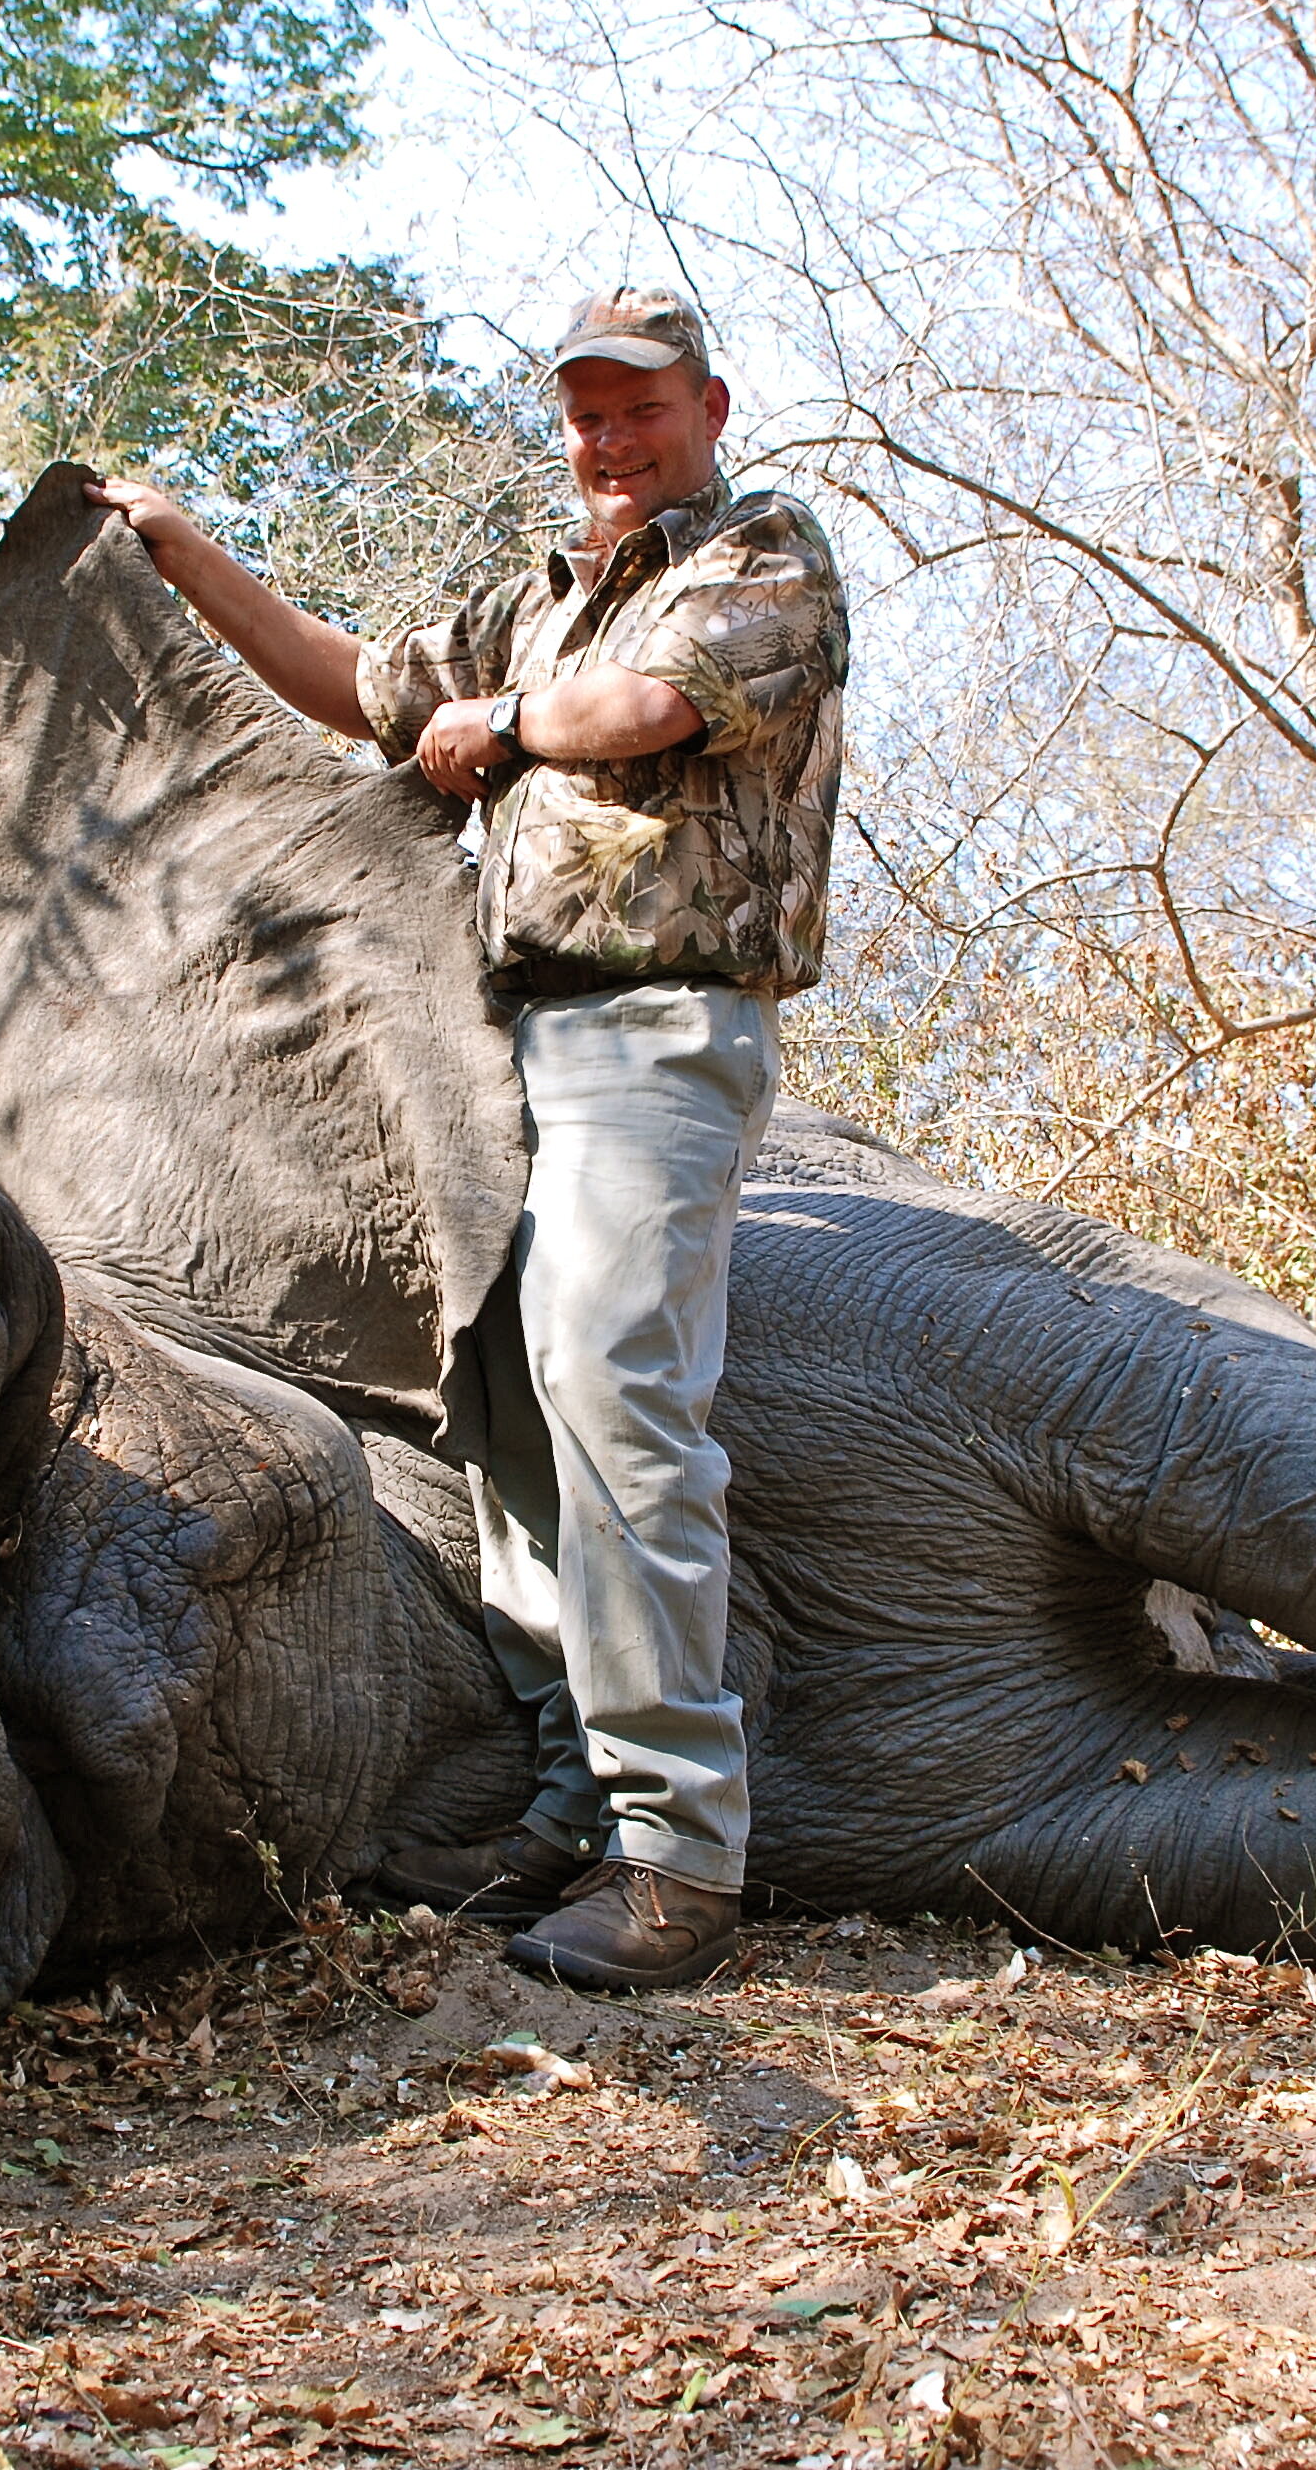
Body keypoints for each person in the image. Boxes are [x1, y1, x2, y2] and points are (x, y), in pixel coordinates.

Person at [92, 289, 847, 1989]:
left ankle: (679, 1852)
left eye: (637, 406)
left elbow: (649, 710)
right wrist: (177, 547)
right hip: (501, 1044)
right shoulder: (535, 602)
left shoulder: (764, 555)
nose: (606, 436)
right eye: (582, 408)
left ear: (708, 405)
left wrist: (501, 726)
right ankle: (575, 1795)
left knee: (614, 1387)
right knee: (503, 1403)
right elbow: (354, 684)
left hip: (660, 1026)